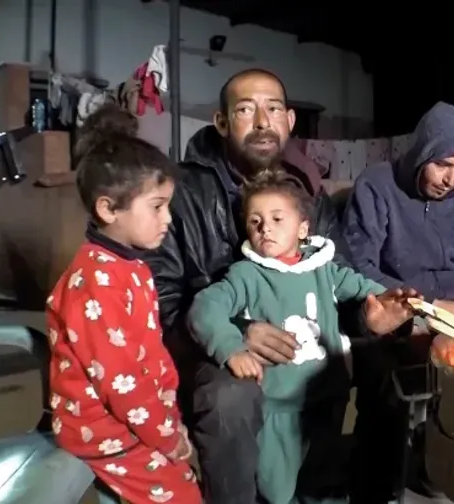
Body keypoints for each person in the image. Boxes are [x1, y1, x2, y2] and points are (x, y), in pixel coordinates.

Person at [145, 68, 404, 503]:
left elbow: (334, 274)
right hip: (214, 347)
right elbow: (161, 302)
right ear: (223, 122)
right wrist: (239, 333)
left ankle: (363, 490)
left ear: (290, 122)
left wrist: (368, 316)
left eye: (274, 109)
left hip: (299, 341)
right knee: (231, 397)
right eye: (246, 109)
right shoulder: (182, 194)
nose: (263, 121)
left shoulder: (304, 195)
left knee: (386, 363)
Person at [187, 170, 418, 503]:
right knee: (277, 491)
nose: (265, 227)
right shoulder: (246, 275)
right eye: (255, 221)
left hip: (327, 400)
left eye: (277, 218)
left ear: (303, 228)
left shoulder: (324, 268)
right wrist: (230, 346)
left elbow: (363, 290)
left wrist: (389, 302)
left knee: (322, 484)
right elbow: (205, 307)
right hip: (277, 409)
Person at [342, 101, 454, 502]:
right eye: (443, 165)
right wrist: (431, 306)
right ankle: (380, 486)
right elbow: (357, 266)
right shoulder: (376, 185)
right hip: (399, 308)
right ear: (421, 153)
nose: (452, 179)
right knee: (385, 389)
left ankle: (448, 466)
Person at [46, 104, 202, 504]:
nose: (168, 219)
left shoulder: (131, 266)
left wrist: (170, 419)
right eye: (156, 206)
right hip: (101, 427)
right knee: (183, 495)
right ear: (107, 208)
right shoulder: (94, 282)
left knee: (187, 473)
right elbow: (121, 383)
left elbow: (148, 355)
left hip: (142, 418)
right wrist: (167, 437)